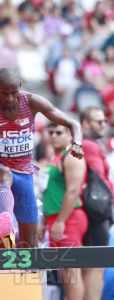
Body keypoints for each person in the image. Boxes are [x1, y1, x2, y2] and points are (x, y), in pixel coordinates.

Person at [0, 68, 84, 248]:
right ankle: (6, 224)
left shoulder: (33, 102)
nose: (9, 98)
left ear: (20, 86)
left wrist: (78, 143)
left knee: (30, 244)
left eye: (14, 93)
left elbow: (72, 123)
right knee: (5, 173)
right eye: (4, 93)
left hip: (23, 173)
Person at [38, 123, 87, 299]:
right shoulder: (53, 158)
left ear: (69, 136)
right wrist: (44, 222)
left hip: (69, 218)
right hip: (54, 219)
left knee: (71, 273)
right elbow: (48, 193)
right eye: (50, 132)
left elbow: (73, 191)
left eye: (59, 132)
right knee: (63, 273)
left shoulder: (71, 156)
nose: (53, 135)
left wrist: (61, 221)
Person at [80, 107, 113, 300]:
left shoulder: (85, 144)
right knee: (96, 266)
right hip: (96, 213)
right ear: (85, 123)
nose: (103, 125)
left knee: (90, 265)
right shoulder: (90, 145)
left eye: (104, 121)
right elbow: (100, 180)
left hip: (90, 212)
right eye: (98, 121)